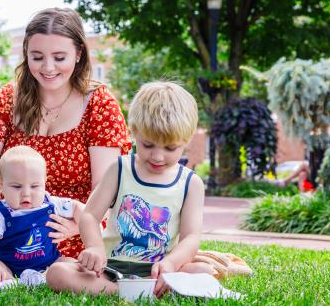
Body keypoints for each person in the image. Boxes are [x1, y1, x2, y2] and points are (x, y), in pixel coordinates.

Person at [0, 8, 132, 259]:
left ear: (79, 54)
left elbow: (105, 185)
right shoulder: (5, 100)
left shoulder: (99, 104)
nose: (48, 67)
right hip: (15, 237)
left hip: (79, 236)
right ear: (26, 53)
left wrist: (83, 224)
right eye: (37, 57)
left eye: (59, 57)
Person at [46, 81, 209, 297]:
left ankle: (137, 291)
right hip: (109, 267)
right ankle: (125, 292)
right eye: (148, 145)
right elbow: (90, 216)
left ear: (186, 141)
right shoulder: (120, 169)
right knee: (58, 273)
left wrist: (171, 263)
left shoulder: (190, 183)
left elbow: (190, 238)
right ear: (134, 133)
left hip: (158, 271)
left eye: (170, 148)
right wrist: (94, 248)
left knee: (203, 272)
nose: (158, 156)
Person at [0, 146, 84, 282]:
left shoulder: (51, 202)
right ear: (1, 184)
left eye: (34, 186)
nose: (26, 193)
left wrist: (85, 231)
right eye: (16, 186)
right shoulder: (1, 212)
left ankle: (43, 279)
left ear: (44, 182)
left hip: (49, 264)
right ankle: (11, 283)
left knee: (71, 264)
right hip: (9, 266)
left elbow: (79, 208)